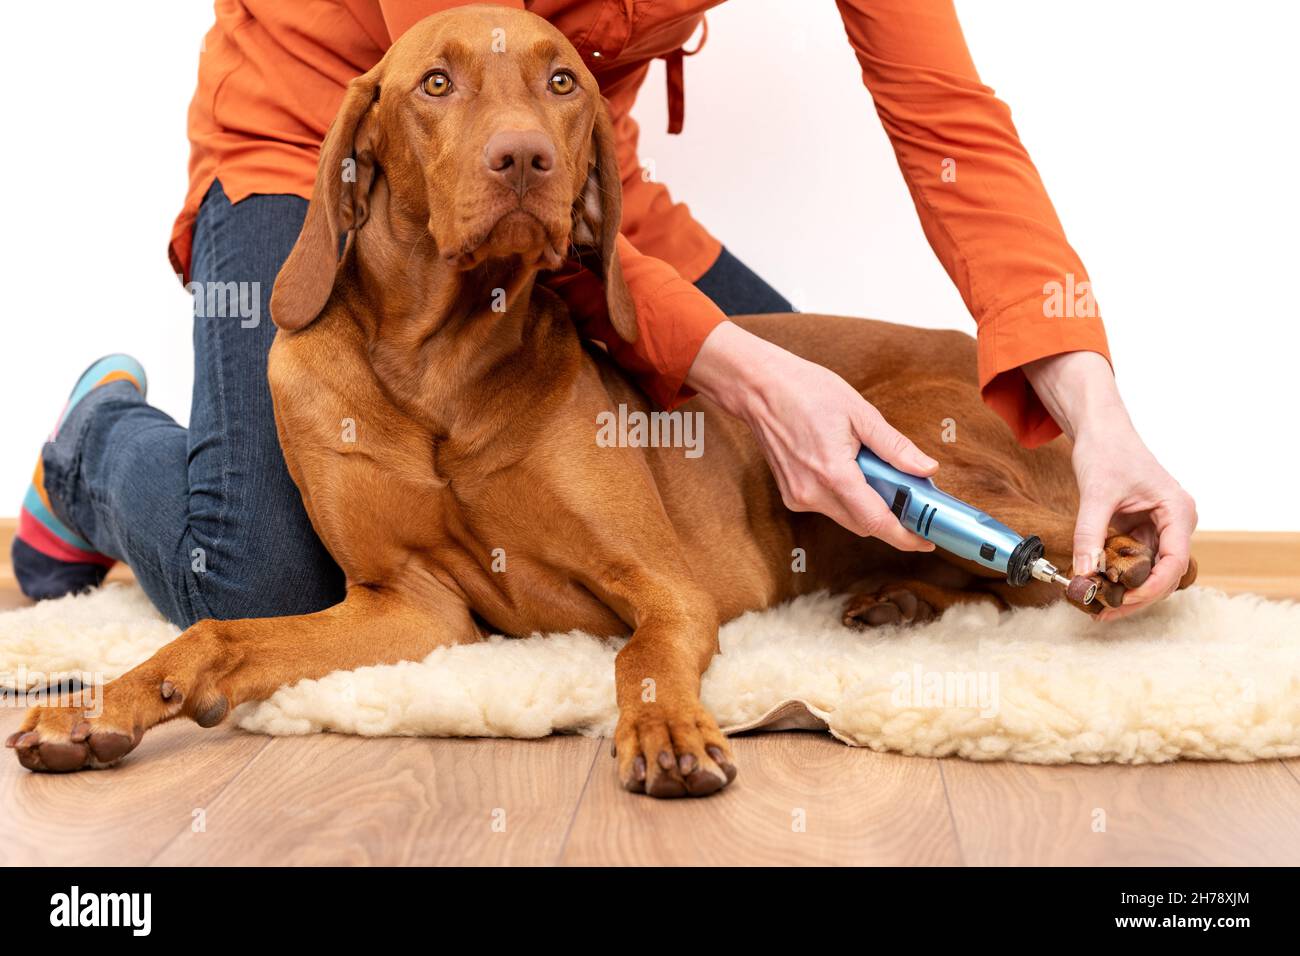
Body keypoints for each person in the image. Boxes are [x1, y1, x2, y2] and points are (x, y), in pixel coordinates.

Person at [13, 0, 1195, 627]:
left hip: (553, 175)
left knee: (823, 473)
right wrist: (733, 365)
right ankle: (91, 452)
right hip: (335, 151)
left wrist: (1090, 409)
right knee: (265, 574)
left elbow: (949, 124)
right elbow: (462, 112)